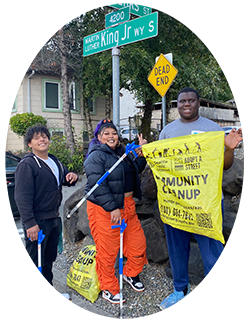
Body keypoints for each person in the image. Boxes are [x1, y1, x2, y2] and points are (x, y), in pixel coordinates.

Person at [159, 87, 244, 303]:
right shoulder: (167, 132)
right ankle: (180, 290)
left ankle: (221, 293)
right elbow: (161, 164)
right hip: (176, 203)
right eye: (181, 101)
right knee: (177, 250)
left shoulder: (213, 129)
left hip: (207, 204)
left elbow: (225, 166)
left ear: (199, 103)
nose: (186, 104)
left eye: (191, 101)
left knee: (213, 252)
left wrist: (230, 149)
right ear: (176, 105)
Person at [84, 119, 148, 304]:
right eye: (106, 133)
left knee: (138, 244)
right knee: (108, 251)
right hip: (105, 209)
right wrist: (112, 207)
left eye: (114, 133)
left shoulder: (122, 153)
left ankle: (130, 274)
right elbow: (96, 185)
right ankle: (109, 288)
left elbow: (136, 170)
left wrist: (141, 154)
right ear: (99, 137)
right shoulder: (95, 156)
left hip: (127, 206)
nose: (111, 136)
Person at [15, 124, 78, 282]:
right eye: (36, 138)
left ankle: (46, 291)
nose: (42, 139)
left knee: (48, 260)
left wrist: (71, 176)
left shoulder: (53, 161)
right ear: (30, 144)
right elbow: (22, 196)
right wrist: (29, 223)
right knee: (34, 262)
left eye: (44, 136)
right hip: (37, 221)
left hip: (54, 219)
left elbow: (63, 178)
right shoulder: (27, 165)